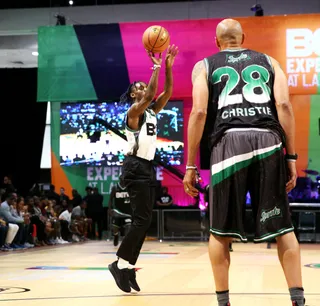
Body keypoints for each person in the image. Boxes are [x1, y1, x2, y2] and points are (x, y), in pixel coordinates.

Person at [183, 19, 304, 306]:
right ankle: (298, 299)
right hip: (268, 139)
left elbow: (199, 112)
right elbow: (284, 106)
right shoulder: (270, 62)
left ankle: (223, 301)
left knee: (220, 231)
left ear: (217, 42)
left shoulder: (204, 66)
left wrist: (190, 165)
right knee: (283, 228)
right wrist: (291, 157)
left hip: (229, 141)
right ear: (243, 38)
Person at [108, 44, 179, 293]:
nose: (142, 89)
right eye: (137, 88)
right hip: (134, 166)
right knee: (141, 220)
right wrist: (156, 67)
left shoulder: (150, 111)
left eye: (142, 86)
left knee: (144, 220)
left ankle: (127, 266)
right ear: (132, 96)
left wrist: (168, 67)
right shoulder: (134, 112)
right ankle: (119, 264)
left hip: (146, 167)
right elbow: (150, 95)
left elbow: (167, 91)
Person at [108, 181, 132, 247]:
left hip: (128, 212)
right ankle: (116, 236)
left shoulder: (130, 187)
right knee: (115, 228)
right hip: (117, 211)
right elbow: (110, 199)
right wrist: (109, 209)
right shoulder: (115, 187)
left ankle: (126, 241)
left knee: (129, 226)